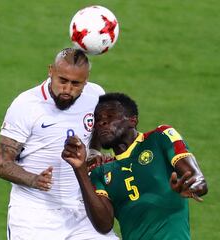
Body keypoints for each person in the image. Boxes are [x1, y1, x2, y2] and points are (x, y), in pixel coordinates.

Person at [0, 48, 118, 240]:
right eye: (62, 80)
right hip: (34, 216)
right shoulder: (26, 105)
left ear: (86, 80)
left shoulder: (95, 95)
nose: (67, 89)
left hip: (80, 210)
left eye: (75, 84)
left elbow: (94, 130)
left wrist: (93, 152)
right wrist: (34, 180)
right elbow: (2, 164)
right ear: (51, 71)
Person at [62, 92, 208, 240]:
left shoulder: (160, 137)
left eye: (110, 116)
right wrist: (80, 169)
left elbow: (197, 178)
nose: (101, 123)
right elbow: (104, 225)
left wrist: (192, 186)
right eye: (98, 120)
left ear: (133, 120)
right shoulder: (100, 171)